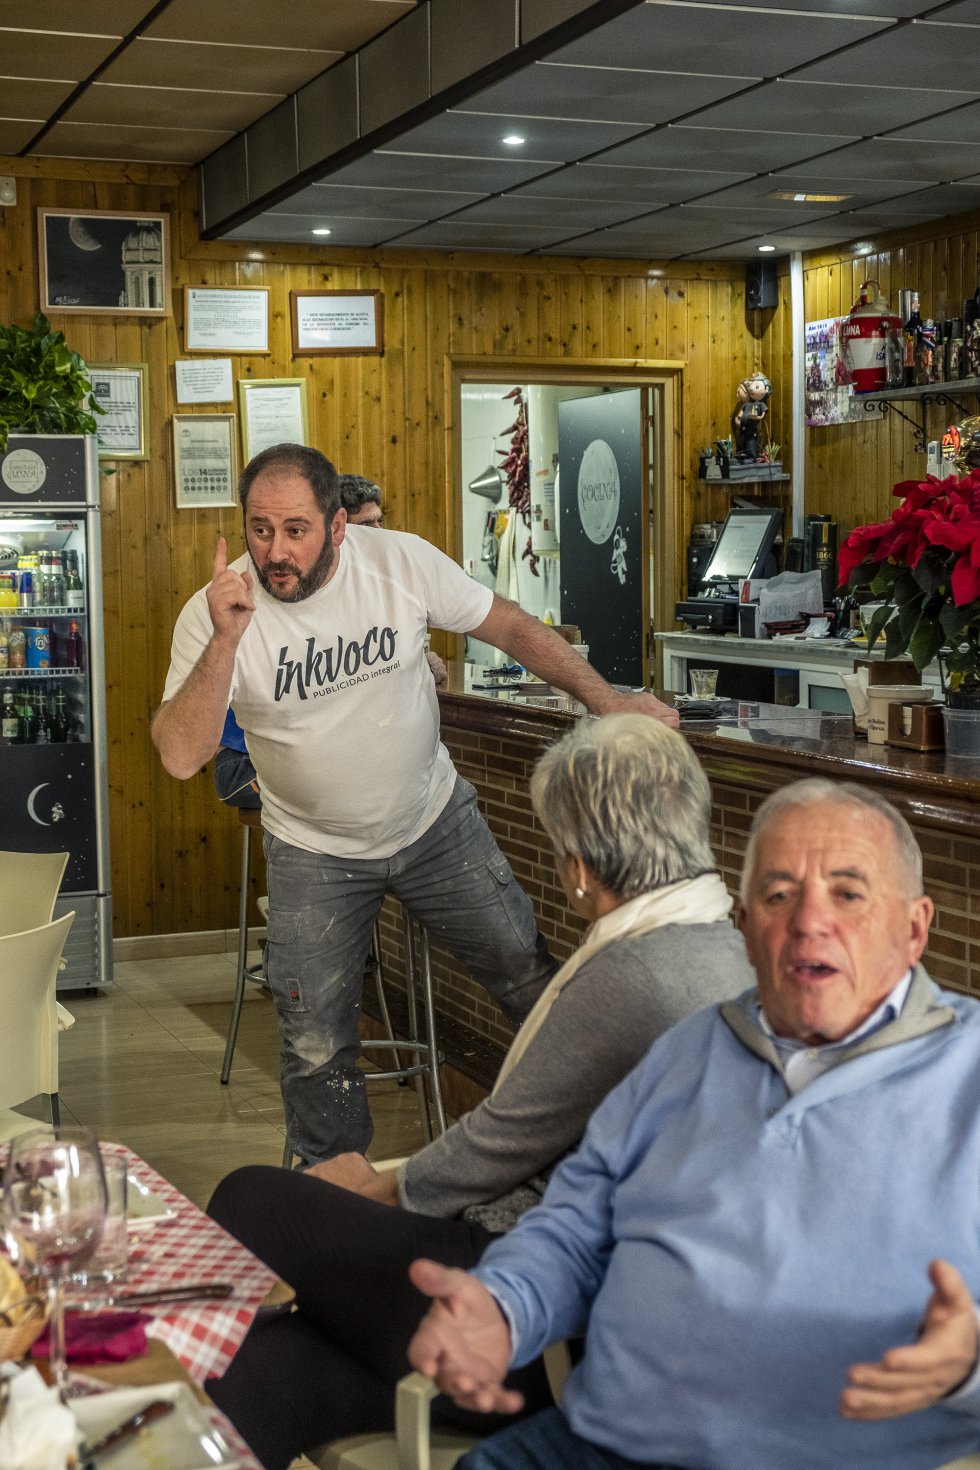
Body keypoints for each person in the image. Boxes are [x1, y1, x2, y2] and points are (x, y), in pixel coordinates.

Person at [205, 713, 752, 1469]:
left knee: (247, 1198)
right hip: (580, 1320)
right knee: (266, 1363)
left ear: (581, 865)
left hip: (524, 1312)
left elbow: (499, 1143)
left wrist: (376, 1183)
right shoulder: (726, 946)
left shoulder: (632, 975)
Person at [409, 778, 980, 1470]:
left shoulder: (965, 1071)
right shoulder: (688, 1051)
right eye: (778, 895)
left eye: (848, 894)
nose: (808, 921)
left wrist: (968, 1361)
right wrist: (503, 1308)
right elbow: (574, 1230)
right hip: (603, 1446)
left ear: (914, 928)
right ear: (743, 928)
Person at [152, 443, 678, 1163]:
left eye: (296, 529)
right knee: (314, 1046)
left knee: (527, 976)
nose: (276, 551)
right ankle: (339, 1207)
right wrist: (225, 641)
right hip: (312, 849)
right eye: (260, 528)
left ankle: (606, 1149)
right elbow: (181, 756)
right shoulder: (217, 612)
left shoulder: (397, 562)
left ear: (338, 527)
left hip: (434, 823)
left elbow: (512, 627)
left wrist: (610, 702)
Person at [210, 473, 444, 807]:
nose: (380, 535)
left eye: (381, 521)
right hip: (241, 763)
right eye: (367, 526)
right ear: (336, 530)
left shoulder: (372, 584)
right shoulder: (300, 593)